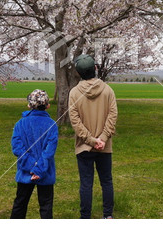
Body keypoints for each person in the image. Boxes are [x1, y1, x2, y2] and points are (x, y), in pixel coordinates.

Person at [69, 54, 118, 219]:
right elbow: (113, 116)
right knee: (106, 181)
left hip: (84, 146)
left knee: (86, 183)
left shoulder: (74, 93)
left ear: (79, 73)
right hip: (104, 146)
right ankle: (108, 216)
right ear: (95, 69)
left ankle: (85, 218)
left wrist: (90, 140)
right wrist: (102, 139)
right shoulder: (108, 90)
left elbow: (75, 122)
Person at [10, 89, 58, 219]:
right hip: (44, 170)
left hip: (28, 170)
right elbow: (49, 151)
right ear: (47, 105)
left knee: (20, 204)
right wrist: (37, 167)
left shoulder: (20, 124)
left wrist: (34, 168)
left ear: (29, 105)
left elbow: (17, 148)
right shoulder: (52, 125)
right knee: (45, 206)